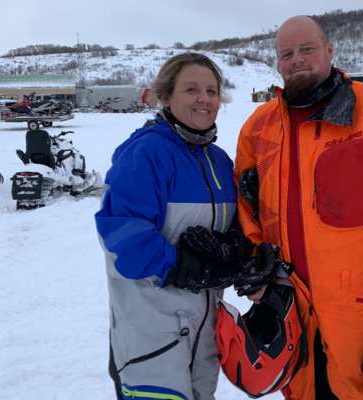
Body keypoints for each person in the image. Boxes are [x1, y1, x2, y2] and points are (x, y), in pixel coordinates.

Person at [233, 15, 363, 400]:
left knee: (362, 389)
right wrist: (254, 269)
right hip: (289, 300)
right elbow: (246, 212)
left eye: (307, 49)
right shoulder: (257, 128)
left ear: (329, 51)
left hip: (361, 303)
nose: (297, 59)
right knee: (301, 389)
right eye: (287, 53)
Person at [95, 53, 247, 400]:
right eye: (191, 89)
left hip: (203, 331)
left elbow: (234, 225)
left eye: (211, 90)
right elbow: (123, 237)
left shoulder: (219, 161)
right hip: (152, 334)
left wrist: (233, 248)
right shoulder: (145, 153)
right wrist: (186, 267)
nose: (204, 98)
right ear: (166, 96)